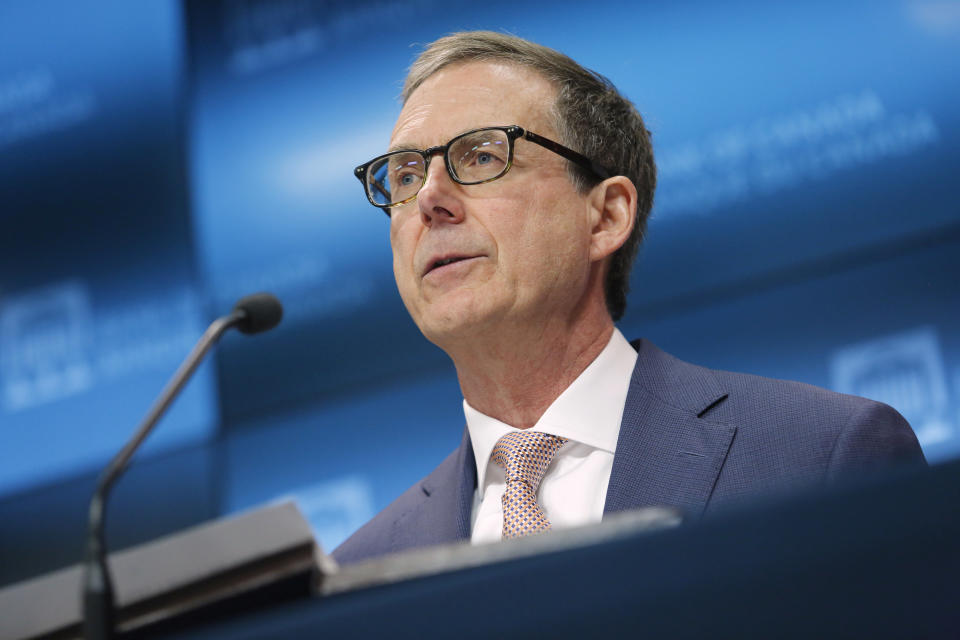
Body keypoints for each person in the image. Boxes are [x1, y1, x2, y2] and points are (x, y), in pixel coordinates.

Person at [332, 31, 924, 564]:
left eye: (481, 156)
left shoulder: (821, 458)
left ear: (606, 216)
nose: (430, 199)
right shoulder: (362, 568)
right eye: (405, 175)